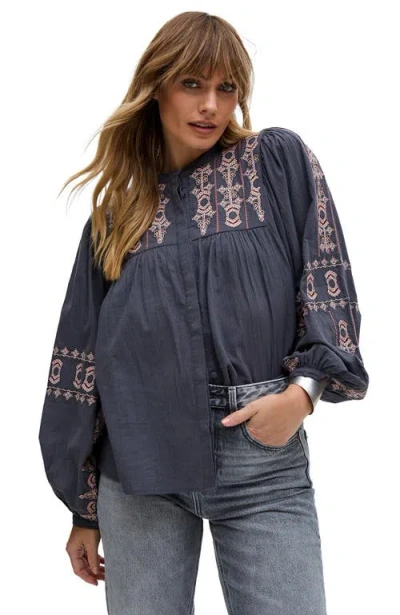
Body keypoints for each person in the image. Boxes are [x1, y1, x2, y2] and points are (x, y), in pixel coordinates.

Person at [38, 10, 369, 615]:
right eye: (191, 84)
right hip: (139, 467)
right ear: (156, 88)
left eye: (226, 87)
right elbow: (80, 358)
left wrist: (302, 396)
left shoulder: (276, 162)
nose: (211, 105)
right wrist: (83, 509)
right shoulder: (116, 214)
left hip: (262, 458)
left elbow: (328, 283)